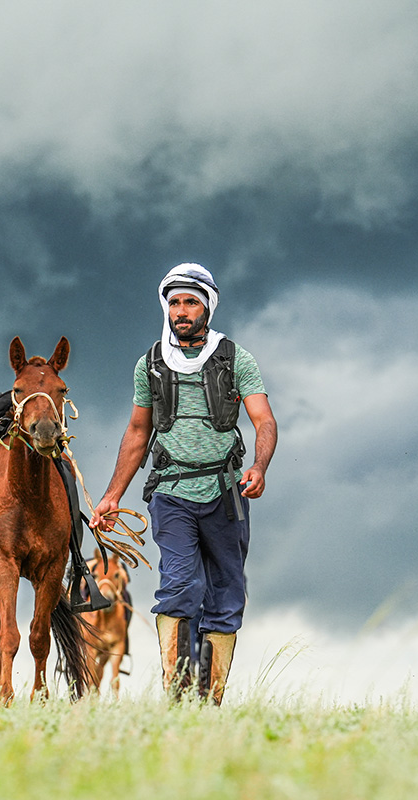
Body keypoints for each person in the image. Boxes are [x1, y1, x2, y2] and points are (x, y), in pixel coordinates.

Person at [89, 263, 278, 706]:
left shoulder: (235, 359)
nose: (181, 310)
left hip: (226, 493)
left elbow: (264, 420)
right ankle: (177, 696)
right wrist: (113, 494)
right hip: (171, 492)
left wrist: (260, 466)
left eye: (190, 301)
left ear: (207, 306)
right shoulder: (151, 364)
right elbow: (138, 431)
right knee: (180, 586)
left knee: (227, 592)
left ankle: (208, 700)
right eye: (174, 302)